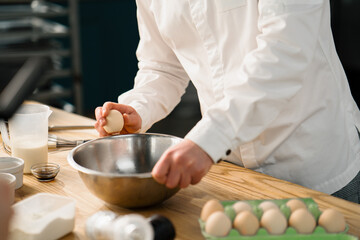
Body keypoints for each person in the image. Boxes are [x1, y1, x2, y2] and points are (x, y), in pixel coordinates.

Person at [95, 0, 360, 203]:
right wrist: (139, 107)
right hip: (231, 169)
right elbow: (163, 65)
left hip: (311, 164)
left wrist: (209, 139)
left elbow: (285, 53)